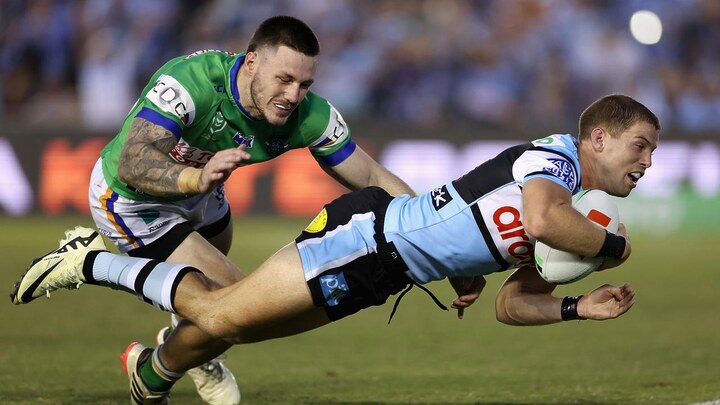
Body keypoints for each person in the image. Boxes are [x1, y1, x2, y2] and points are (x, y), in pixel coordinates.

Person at [12, 94, 658, 404]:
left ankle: (151, 372)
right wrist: (613, 250)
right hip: (366, 236)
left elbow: (513, 304)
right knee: (224, 313)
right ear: (597, 138)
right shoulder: (556, 161)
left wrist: (577, 308)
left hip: (385, 272)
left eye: (655, 150)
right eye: (640, 145)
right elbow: (542, 219)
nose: (648, 162)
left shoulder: (583, 213)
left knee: (239, 327)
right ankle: (88, 260)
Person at [78, 15, 415, 405]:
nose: (293, 95)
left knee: (223, 310)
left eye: (305, 84)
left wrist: (432, 229)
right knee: (239, 305)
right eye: (284, 79)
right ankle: (151, 371)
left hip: (204, 195)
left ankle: (182, 346)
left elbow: (371, 173)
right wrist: (195, 179)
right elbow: (133, 162)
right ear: (251, 62)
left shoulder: (309, 114)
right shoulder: (192, 82)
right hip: (134, 201)